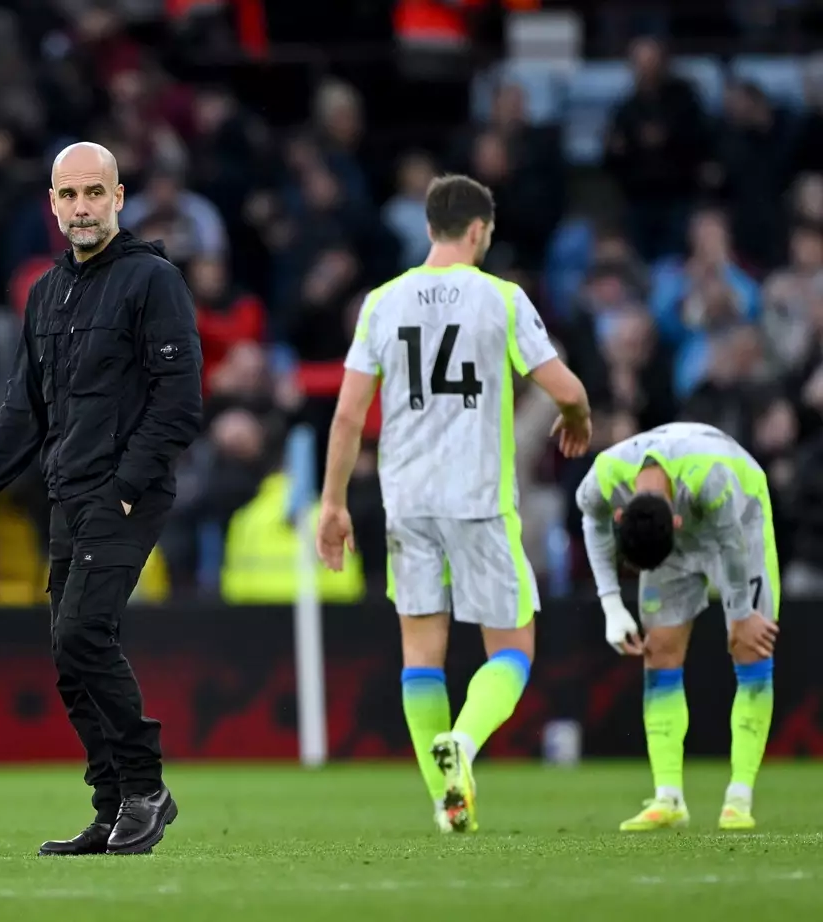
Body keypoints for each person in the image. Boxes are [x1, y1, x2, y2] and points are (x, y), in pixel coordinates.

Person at [0, 141, 202, 856]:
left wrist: (124, 488)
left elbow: (179, 403)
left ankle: (146, 790)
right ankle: (114, 806)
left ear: (117, 197)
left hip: (124, 494)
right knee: (67, 652)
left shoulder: (152, 280)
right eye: (68, 195)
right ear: (51, 204)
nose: (81, 207)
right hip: (64, 493)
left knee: (83, 634)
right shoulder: (46, 293)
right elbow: (23, 413)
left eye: (93, 193)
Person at [315, 174, 592, 834]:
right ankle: (462, 745)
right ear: (478, 231)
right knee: (513, 648)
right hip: (477, 499)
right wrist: (577, 414)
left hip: (406, 500)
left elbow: (350, 414)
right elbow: (563, 385)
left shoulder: (381, 302)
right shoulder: (501, 297)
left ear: (429, 227)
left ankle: (447, 797)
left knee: (421, 654)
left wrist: (333, 503)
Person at [575, 421, 779, 832]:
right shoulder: (602, 477)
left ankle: (739, 797)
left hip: (742, 518)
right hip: (677, 521)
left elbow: (731, 546)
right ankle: (668, 798)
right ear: (622, 511)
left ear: (678, 522)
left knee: (751, 645)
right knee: (660, 650)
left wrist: (740, 614)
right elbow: (592, 523)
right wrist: (612, 605)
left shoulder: (712, 479)